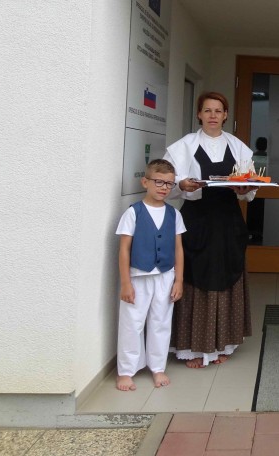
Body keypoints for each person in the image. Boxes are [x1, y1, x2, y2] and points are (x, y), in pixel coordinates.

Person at [163, 91, 255, 368]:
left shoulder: (239, 147)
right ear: (199, 114)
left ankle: (223, 344)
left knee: (226, 272)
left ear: (225, 115)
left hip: (228, 221)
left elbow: (250, 189)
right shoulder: (184, 146)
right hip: (196, 220)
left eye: (218, 111)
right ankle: (191, 347)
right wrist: (181, 185)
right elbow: (166, 183)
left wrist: (245, 189)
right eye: (207, 110)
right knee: (194, 273)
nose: (213, 115)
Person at [115, 159, 185, 391]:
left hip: (165, 276)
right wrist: (125, 283)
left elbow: (178, 248)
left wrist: (179, 280)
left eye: (169, 184)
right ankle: (126, 371)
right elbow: (124, 249)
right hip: (138, 276)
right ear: (145, 182)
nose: (164, 187)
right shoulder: (133, 213)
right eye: (159, 182)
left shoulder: (174, 214)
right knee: (132, 323)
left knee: (161, 322)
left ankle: (158, 367)